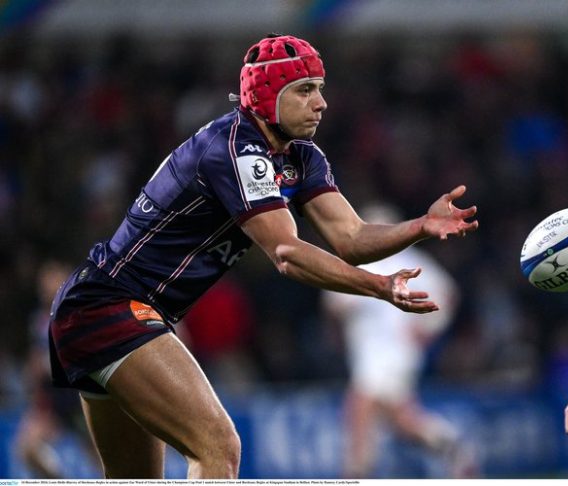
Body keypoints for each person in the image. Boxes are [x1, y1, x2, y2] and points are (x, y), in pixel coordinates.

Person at [47, 33, 478, 479]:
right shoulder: (235, 147)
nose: (321, 103)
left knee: (136, 481)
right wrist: (380, 287)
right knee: (218, 446)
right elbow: (288, 253)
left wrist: (419, 227)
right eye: (305, 89)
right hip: (109, 307)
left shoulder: (300, 157)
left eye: (321, 87)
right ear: (268, 96)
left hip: (105, 313)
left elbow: (351, 236)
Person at [321, 203, 476, 479]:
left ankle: (356, 472)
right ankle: (450, 444)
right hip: (376, 353)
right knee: (401, 420)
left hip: (391, 353)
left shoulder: (393, 261)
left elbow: (333, 307)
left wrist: (428, 329)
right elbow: (449, 294)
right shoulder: (374, 262)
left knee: (359, 406)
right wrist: (429, 328)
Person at [15, 261, 97, 478]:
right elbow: (35, 362)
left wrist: (50, 364)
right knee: (27, 447)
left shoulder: (78, 312)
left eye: (51, 280)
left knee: (100, 457)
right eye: (43, 283)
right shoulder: (38, 321)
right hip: (53, 401)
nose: (46, 287)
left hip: (78, 397)